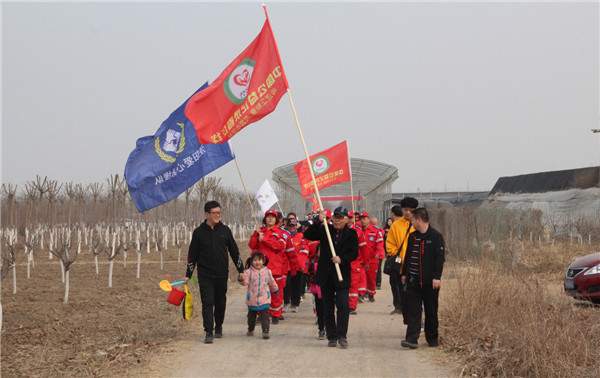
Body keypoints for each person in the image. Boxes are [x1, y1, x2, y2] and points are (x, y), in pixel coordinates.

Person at [184, 200, 244, 344]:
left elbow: (234, 252)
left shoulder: (225, 231)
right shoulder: (199, 233)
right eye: (215, 213)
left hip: (222, 274)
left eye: (219, 212)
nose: (218, 215)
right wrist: (188, 274)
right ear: (207, 214)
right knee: (207, 302)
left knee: (220, 301)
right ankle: (208, 331)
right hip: (205, 274)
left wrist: (241, 270)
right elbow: (192, 255)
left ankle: (219, 326)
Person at [304, 207, 358, 349]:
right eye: (335, 217)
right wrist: (318, 221)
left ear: (346, 219)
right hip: (326, 275)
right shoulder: (325, 230)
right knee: (327, 307)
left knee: (343, 305)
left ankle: (342, 336)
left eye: (341, 218)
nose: (337, 220)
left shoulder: (352, 234)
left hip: (342, 275)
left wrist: (342, 259)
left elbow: (354, 253)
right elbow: (308, 235)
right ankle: (331, 336)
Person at [401, 208, 445, 349]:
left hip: (430, 283)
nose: (411, 222)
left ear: (419, 220)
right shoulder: (413, 236)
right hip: (413, 281)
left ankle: (432, 339)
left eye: (413, 219)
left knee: (431, 311)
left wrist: (437, 277)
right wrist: (404, 273)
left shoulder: (436, 237)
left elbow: (440, 259)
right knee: (413, 311)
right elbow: (407, 256)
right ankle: (411, 339)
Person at [248, 210, 288, 324]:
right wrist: (256, 235)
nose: (270, 219)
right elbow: (252, 245)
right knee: (260, 292)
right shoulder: (260, 232)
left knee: (275, 292)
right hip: (260, 268)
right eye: (268, 217)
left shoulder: (281, 233)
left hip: (275, 267)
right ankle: (262, 314)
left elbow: (280, 246)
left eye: (272, 217)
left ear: (276, 220)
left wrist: (265, 239)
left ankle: (275, 314)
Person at [385, 197, 418, 318]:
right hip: (400, 263)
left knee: (414, 290)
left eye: (410, 210)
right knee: (398, 286)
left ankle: (414, 311)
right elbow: (389, 243)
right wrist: (395, 254)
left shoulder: (419, 223)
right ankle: (399, 307)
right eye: (405, 209)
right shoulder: (396, 225)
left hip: (415, 264)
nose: (408, 212)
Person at [242, 252, 279, 340]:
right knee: (251, 317)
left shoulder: (267, 271)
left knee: (265, 316)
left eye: (259, 260)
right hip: (252, 299)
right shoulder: (248, 272)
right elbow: (245, 282)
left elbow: (271, 282)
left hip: (264, 298)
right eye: (254, 260)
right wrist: (241, 279)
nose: (257, 262)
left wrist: (275, 289)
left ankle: (265, 331)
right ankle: (251, 329)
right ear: (251, 261)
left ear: (263, 261)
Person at [283, 212, 308, 313]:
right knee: (286, 285)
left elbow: (304, 250)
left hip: (297, 266)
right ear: (287, 226)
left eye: (293, 226)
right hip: (286, 266)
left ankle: (295, 303)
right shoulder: (284, 236)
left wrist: (300, 264)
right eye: (290, 226)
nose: (292, 228)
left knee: (296, 285)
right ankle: (286, 302)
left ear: (296, 226)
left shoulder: (301, 236)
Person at [359, 211, 381, 302]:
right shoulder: (358, 231)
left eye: (364, 219)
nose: (363, 221)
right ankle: (361, 294)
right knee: (360, 278)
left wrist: (378, 254)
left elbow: (380, 245)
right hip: (360, 259)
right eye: (361, 219)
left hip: (372, 260)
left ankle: (371, 294)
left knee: (371, 278)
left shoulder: (375, 231)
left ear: (369, 219)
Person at [370, 216, 385, 290]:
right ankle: (377, 283)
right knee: (378, 269)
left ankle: (377, 283)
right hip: (378, 253)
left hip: (377, 254)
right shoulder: (380, 230)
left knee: (377, 269)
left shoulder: (378, 231)